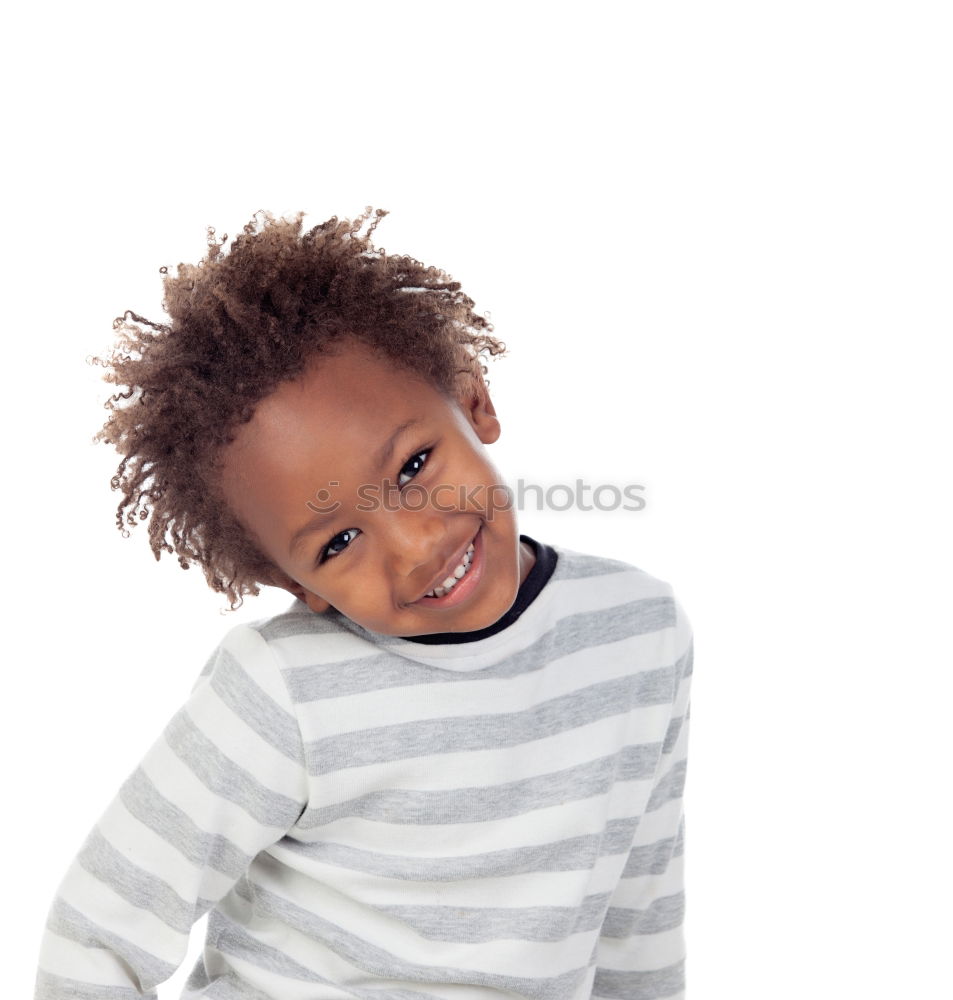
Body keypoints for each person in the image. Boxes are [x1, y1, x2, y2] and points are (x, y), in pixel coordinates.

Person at [34, 209, 694, 1000]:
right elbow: (98, 935)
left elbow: (638, 912)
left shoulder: (637, 632)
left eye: (414, 464)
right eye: (336, 544)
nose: (415, 547)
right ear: (298, 588)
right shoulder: (282, 692)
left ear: (472, 400)